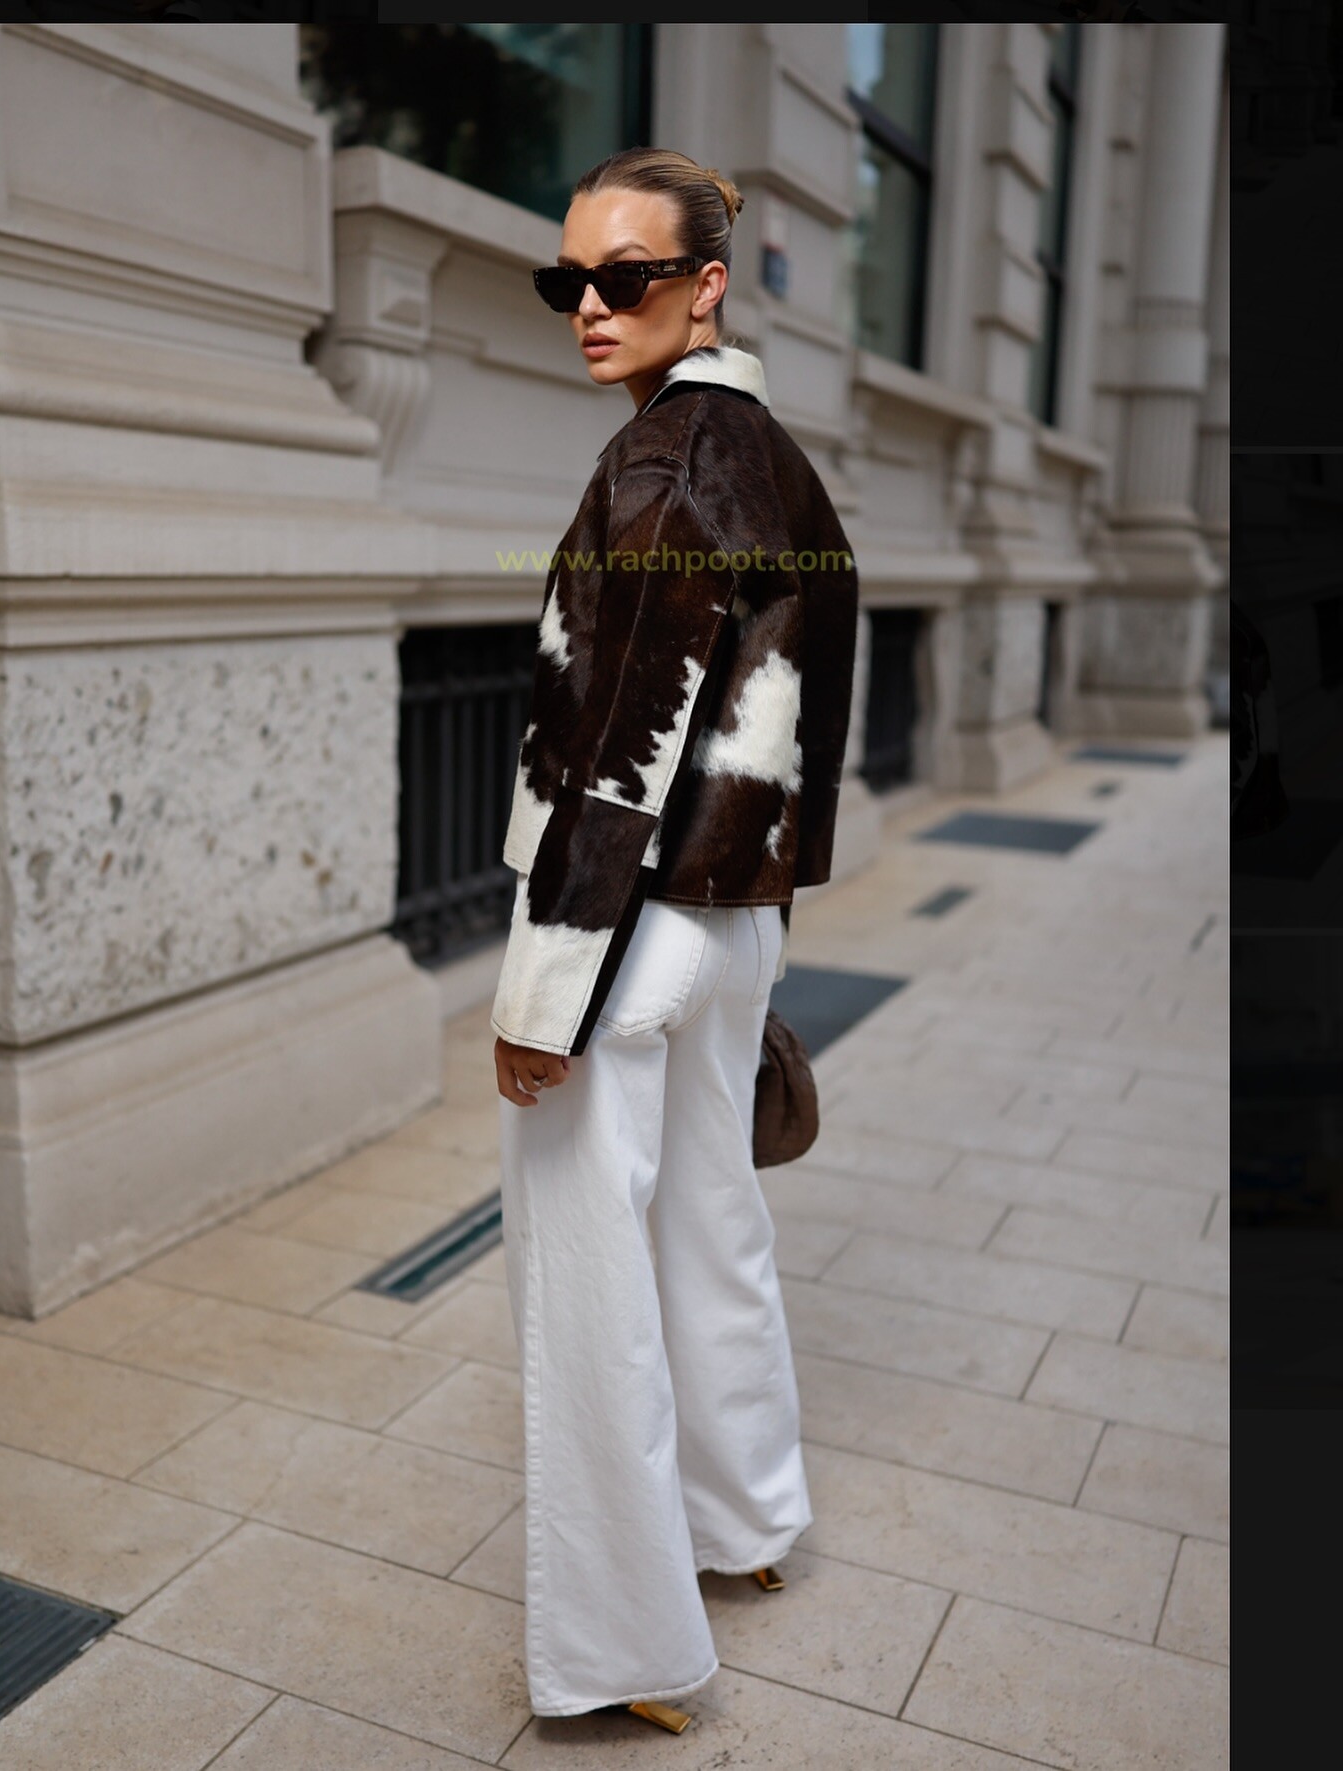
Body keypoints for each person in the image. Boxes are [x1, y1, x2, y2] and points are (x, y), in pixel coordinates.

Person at [489, 146, 859, 1732]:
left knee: (587, 1295)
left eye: (625, 278)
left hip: (622, 929)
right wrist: (763, 903)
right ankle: (751, 1519)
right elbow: (794, 723)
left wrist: (541, 988)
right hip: (729, 923)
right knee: (714, 1226)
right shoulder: (775, 460)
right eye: (566, 279)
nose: (589, 306)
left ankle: (628, 1648)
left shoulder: (658, 467)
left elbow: (613, 752)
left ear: (705, 286)